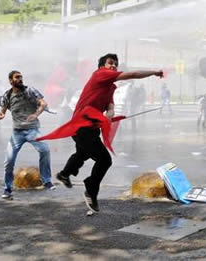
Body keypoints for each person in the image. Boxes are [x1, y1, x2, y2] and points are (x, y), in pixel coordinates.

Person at [45, 53, 163, 213]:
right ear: (102, 66)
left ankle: (64, 174)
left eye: (116, 64)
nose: (114, 66)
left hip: (89, 129)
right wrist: (154, 72)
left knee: (82, 154)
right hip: (82, 127)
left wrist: (110, 113)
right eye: (110, 63)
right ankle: (90, 190)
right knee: (105, 160)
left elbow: (110, 105)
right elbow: (133, 74)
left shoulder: (109, 87)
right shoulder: (100, 75)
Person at [0, 71, 55, 199]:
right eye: (17, 77)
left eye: (21, 77)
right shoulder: (7, 94)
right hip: (17, 132)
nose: (21, 79)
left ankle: (47, 181)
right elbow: (2, 110)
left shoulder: (30, 90)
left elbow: (43, 104)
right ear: (11, 81)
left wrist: (36, 114)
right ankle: (7, 188)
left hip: (33, 130)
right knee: (9, 160)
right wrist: (0, 114)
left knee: (45, 150)